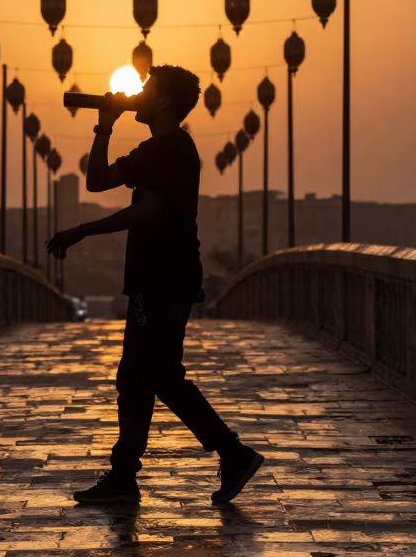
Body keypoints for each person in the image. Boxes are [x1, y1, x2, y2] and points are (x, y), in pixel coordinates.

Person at [47, 63, 264, 505]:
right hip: (156, 277)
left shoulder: (172, 151)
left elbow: (143, 213)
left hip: (165, 277)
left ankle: (231, 453)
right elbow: (99, 178)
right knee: (137, 378)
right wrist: (103, 127)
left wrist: (81, 231)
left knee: (159, 375)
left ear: (164, 101)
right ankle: (125, 475)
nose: (139, 93)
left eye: (147, 88)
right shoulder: (156, 149)